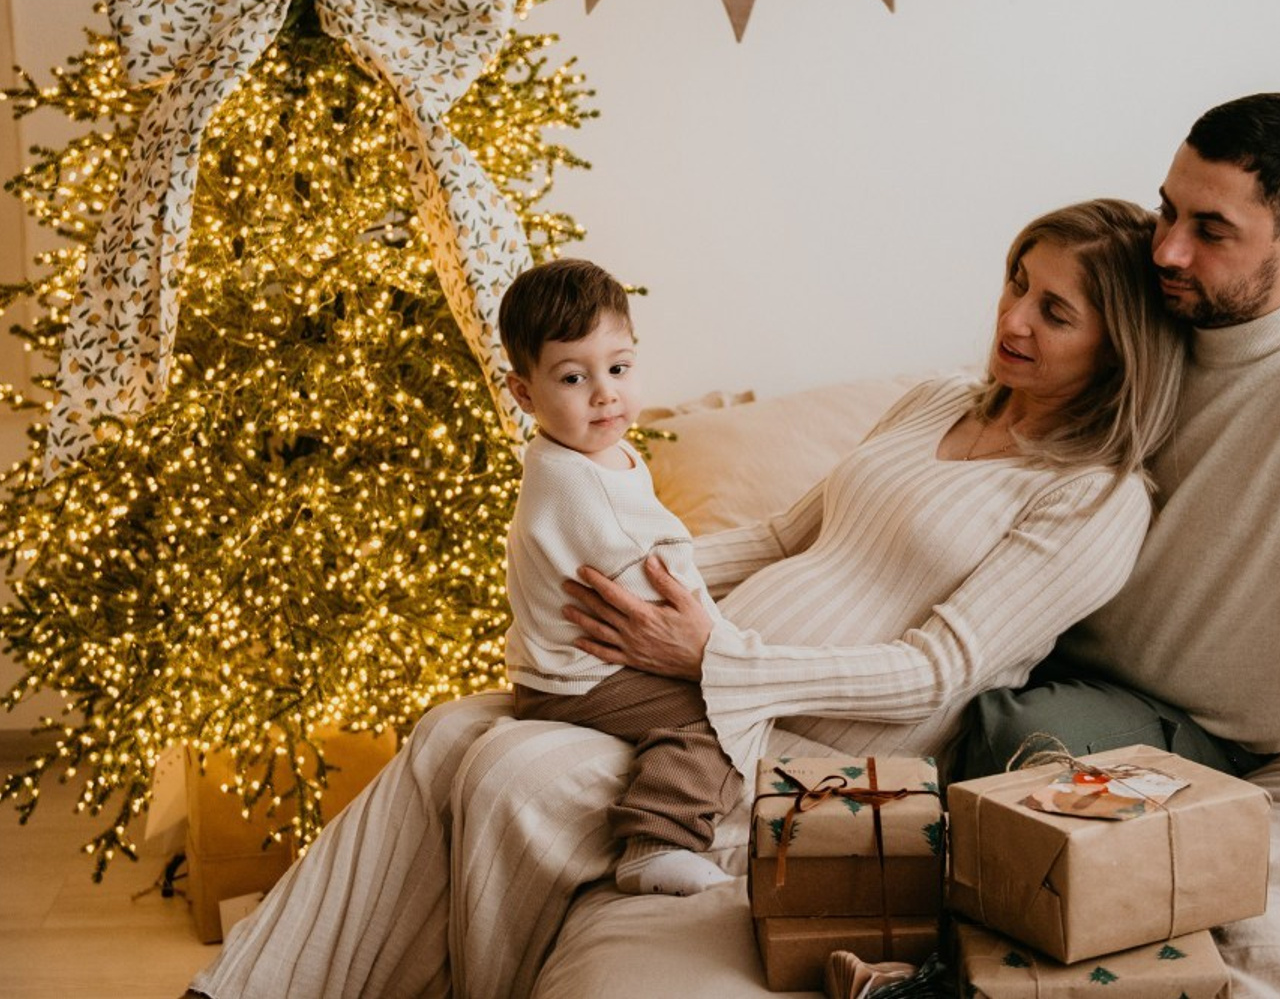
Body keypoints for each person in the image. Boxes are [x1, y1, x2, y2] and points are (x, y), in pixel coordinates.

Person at [183, 198, 1184, 999]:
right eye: (1018, 281)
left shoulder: (1094, 497)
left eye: (1054, 311)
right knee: (448, 731)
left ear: (1116, 344)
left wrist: (709, 653)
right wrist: (631, 584)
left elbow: (940, 665)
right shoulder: (935, 399)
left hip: (817, 743)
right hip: (700, 673)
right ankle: (243, 987)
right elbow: (787, 533)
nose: (1012, 317)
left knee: (513, 778)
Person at [955, 95, 1280, 996]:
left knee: (1013, 742)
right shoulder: (1142, 328)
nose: (1168, 247)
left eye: (1210, 229)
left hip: (1195, 736)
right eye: (1168, 209)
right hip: (1051, 661)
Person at [499, 259, 742, 898]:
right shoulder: (579, 486)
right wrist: (727, 648)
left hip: (555, 664)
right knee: (720, 714)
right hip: (578, 679)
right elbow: (661, 574)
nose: (605, 393)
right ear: (523, 393)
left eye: (619, 368)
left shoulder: (583, 450)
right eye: (574, 377)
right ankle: (658, 840)